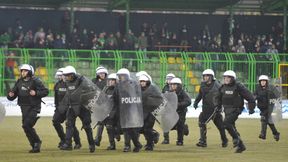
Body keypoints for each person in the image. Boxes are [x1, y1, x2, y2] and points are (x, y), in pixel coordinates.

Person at [7, 64, 48, 153]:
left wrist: (36, 93)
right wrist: (10, 95)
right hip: (23, 107)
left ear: (30, 72)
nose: (22, 72)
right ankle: (33, 145)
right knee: (26, 127)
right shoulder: (19, 81)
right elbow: (13, 94)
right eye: (22, 71)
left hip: (34, 107)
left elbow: (45, 91)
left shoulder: (36, 81)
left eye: (25, 71)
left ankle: (37, 142)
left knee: (26, 125)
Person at [59, 66, 95, 153]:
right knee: (69, 124)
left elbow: (91, 90)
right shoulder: (67, 82)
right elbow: (69, 94)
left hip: (83, 107)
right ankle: (67, 144)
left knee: (87, 126)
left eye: (68, 75)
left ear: (73, 74)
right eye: (65, 75)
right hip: (72, 106)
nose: (67, 77)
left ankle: (91, 144)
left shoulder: (82, 80)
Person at [219, 70, 256, 153]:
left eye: (228, 77)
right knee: (231, 126)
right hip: (227, 110)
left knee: (226, 123)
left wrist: (251, 108)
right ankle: (241, 146)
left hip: (236, 109)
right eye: (225, 77)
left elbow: (250, 97)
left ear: (233, 78)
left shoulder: (239, 86)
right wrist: (217, 106)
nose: (226, 79)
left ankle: (236, 139)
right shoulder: (222, 87)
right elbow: (218, 98)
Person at [193, 69, 228, 147]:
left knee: (216, 125)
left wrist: (221, 106)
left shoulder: (217, 85)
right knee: (206, 123)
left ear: (212, 77)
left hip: (214, 109)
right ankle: (205, 141)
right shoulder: (202, 85)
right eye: (204, 76)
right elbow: (200, 94)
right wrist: (196, 102)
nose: (205, 77)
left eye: (207, 76)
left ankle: (205, 141)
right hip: (206, 108)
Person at [114, 68, 143, 152]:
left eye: (122, 76)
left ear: (126, 76)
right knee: (125, 129)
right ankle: (130, 145)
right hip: (121, 110)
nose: (121, 78)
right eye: (119, 76)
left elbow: (137, 97)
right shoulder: (118, 86)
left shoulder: (133, 84)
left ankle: (134, 145)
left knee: (131, 129)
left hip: (131, 110)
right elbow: (115, 97)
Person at [53, 68, 81, 149]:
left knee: (70, 125)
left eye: (61, 75)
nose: (59, 77)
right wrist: (57, 108)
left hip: (70, 107)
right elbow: (56, 98)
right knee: (55, 121)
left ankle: (77, 142)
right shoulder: (57, 85)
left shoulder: (70, 83)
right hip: (60, 108)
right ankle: (63, 139)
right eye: (58, 76)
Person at [138, 74, 162, 151]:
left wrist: (150, 101)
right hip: (142, 113)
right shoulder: (137, 90)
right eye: (141, 81)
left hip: (151, 113)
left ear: (147, 82)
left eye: (143, 81)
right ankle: (154, 135)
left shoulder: (153, 89)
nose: (142, 83)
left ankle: (150, 144)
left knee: (147, 129)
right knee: (141, 129)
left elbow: (159, 99)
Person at [254, 75, 280, 141]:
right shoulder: (258, 88)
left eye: (264, 81)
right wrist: (253, 98)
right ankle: (276, 133)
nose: (263, 82)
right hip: (262, 107)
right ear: (259, 82)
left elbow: (277, 95)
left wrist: (273, 97)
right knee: (269, 121)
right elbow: (254, 95)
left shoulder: (271, 88)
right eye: (261, 81)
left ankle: (263, 135)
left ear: (266, 82)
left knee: (263, 119)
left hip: (269, 107)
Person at [169, 77, 191, 146]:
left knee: (180, 124)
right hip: (173, 112)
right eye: (172, 84)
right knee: (171, 126)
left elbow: (188, 101)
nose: (173, 86)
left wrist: (179, 105)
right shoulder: (170, 93)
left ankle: (180, 140)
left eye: (175, 85)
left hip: (181, 111)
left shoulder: (183, 93)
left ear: (179, 85)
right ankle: (185, 128)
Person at [103, 73, 121, 150]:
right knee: (109, 127)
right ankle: (112, 145)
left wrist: (113, 113)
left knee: (120, 128)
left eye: (112, 80)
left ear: (116, 81)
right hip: (109, 113)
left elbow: (119, 103)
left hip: (119, 113)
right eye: (109, 80)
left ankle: (118, 134)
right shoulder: (106, 89)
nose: (110, 82)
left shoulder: (120, 90)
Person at [92, 66, 108, 146]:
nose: (102, 75)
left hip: (108, 106)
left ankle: (116, 135)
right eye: (100, 73)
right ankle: (97, 139)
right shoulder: (94, 81)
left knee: (110, 124)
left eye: (103, 73)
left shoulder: (110, 81)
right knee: (100, 123)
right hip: (99, 106)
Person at [161, 73, 175, 144]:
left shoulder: (177, 87)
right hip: (167, 109)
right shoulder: (165, 88)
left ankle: (183, 129)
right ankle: (166, 139)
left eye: (170, 78)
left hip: (175, 109)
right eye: (168, 78)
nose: (169, 80)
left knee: (177, 124)